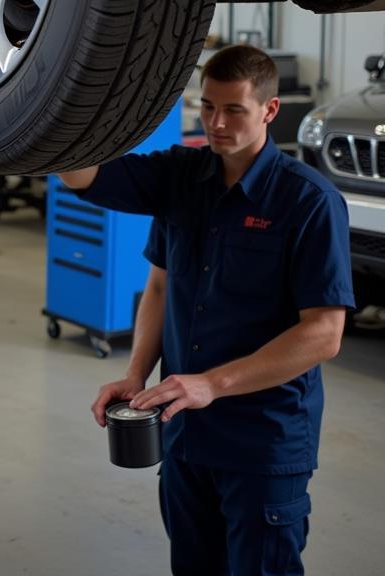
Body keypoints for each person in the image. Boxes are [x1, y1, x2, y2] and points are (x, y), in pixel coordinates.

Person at [59, 44, 353, 576]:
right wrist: (135, 375)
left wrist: (212, 384)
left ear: (269, 109)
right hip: (184, 435)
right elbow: (152, 279)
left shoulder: (309, 201)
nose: (216, 123)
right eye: (207, 106)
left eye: (233, 110)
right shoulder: (182, 176)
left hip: (261, 443)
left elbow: (324, 334)